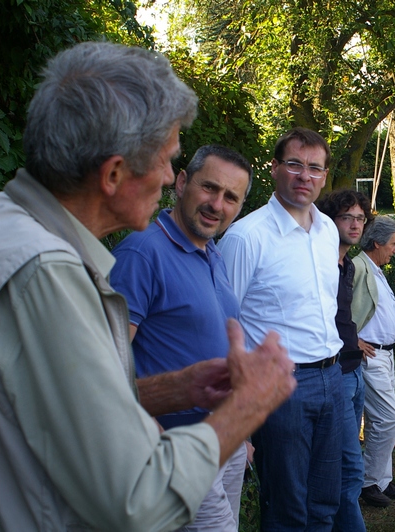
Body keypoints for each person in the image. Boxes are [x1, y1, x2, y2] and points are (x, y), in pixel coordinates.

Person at [0, 41, 296, 530]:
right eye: (170, 160)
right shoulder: (44, 274)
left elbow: (66, 410)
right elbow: (137, 501)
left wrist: (180, 387)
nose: (173, 176)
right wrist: (248, 407)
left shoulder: (6, 226)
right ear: (113, 173)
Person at [109, 144, 253, 531]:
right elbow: (105, 363)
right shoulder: (141, 252)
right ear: (183, 182)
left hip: (224, 439)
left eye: (230, 197)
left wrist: (240, 435)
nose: (216, 204)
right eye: (210, 188)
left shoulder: (214, 255)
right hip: (176, 447)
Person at [218, 127, 343, 530]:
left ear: (325, 176)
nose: (304, 176)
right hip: (280, 388)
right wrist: (237, 414)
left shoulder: (328, 232)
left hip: (333, 377)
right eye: (294, 164)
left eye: (314, 168)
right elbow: (223, 328)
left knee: (325, 502)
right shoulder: (245, 237)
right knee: (286, 509)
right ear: (274, 169)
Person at [316, 189, 374, 531]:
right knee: (350, 466)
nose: (355, 225)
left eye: (360, 218)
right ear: (329, 220)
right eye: (346, 217)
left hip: (353, 371)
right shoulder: (319, 262)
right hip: (331, 373)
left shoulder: (347, 264)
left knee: (345, 464)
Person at [351, 216, 395, 507]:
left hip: (384, 355)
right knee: (390, 418)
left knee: (382, 420)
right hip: (371, 355)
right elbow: (336, 307)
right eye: (393, 244)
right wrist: (352, 339)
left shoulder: (375, 268)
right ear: (377, 243)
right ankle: (367, 482)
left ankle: (382, 481)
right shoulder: (357, 267)